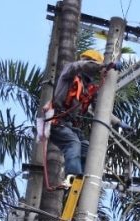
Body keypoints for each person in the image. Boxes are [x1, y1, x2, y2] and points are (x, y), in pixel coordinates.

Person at [48, 49, 115, 179]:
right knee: (73, 143)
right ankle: (73, 177)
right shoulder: (70, 73)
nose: (95, 71)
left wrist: (118, 123)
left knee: (87, 149)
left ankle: (82, 180)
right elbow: (79, 65)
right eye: (94, 66)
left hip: (71, 126)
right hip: (57, 121)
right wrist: (104, 65)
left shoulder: (89, 88)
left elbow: (100, 110)